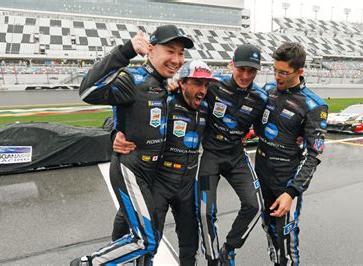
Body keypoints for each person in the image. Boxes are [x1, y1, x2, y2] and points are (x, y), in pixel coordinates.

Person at [70, 25, 194, 266]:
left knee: (147, 238)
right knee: (145, 240)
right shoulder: (133, 79)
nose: (177, 59)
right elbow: (87, 91)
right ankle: (88, 263)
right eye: (170, 51)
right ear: (150, 50)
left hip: (151, 177)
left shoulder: (165, 86)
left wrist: (116, 132)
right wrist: (125, 51)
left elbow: (138, 120)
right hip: (131, 170)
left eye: (181, 54)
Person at [112, 60, 217, 265]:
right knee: (150, 242)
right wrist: (115, 134)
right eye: (197, 83)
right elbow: (130, 118)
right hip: (159, 183)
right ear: (183, 83)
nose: (203, 90)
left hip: (187, 186)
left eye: (206, 85)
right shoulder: (166, 102)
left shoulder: (206, 108)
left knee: (190, 242)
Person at [255, 42, 328, 266]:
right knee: (268, 229)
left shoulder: (314, 106)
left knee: (286, 238)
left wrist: (291, 192)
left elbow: (315, 155)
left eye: (284, 72)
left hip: (285, 181)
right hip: (261, 174)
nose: (278, 76)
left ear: (300, 71)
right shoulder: (267, 90)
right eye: (275, 70)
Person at [195, 44, 268, 265]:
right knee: (206, 213)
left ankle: (229, 248)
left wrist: (298, 137)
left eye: (252, 71)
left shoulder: (260, 98)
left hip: (237, 155)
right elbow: (186, 95)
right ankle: (212, 257)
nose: (246, 75)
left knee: (255, 207)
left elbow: (266, 129)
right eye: (241, 69)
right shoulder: (212, 86)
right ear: (232, 65)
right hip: (211, 156)